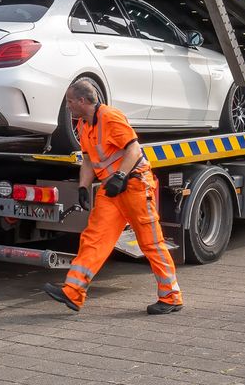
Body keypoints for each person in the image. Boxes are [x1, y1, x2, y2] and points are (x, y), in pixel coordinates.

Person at [41, 80, 183, 315]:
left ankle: (171, 297)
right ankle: (73, 292)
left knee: (151, 244)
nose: (67, 106)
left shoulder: (111, 117)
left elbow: (134, 150)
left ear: (83, 101)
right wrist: (83, 187)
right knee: (94, 238)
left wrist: (120, 175)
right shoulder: (83, 125)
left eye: (69, 101)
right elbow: (88, 160)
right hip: (112, 190)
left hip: (135, 185)